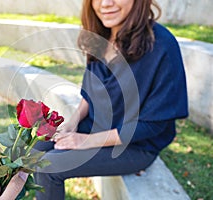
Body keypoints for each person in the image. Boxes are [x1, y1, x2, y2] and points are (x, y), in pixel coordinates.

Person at [34, 0, 188, 199]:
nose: (105, 3)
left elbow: (153, 125)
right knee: (33, 148)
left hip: (135, 145)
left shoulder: (161, 45)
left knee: (51, 166)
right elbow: (90, 92)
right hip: (96, 125)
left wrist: (86, 141)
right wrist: (71, 124)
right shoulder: (101, 35)